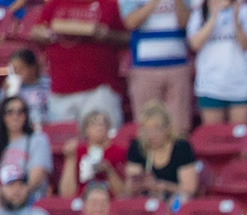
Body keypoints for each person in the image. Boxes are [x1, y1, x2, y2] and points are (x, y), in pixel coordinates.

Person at [30, 0, 128, 128]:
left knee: (102, 141)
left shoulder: (108, 3)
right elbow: (35, 32)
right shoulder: (56, 3)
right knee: (64, 143)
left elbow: (127, 38)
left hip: (98, 89)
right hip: (61, 91)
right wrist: (43, 34)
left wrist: (106, 35)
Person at [120, 0, 193, 135]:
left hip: (178, 65)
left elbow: (185, 23)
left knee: (179, 127)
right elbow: (131, 22)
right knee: (147, 125)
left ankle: (177, 155)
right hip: (145, 67)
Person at [187, 0, 247, 125]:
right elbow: (195, 44)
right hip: (210, 84)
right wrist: (214, 16)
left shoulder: (244, 9)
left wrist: (235, 20)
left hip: (240, 84)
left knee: (240, 135)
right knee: (214, 137)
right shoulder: (199, 11)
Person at [125, 101, 198, 201]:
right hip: (146, 198)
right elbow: (130, 185)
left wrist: (162, 186)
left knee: (182, 199)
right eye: (147, 130)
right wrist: (139, 183)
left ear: (167, 128)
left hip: (172, 197)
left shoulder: (181, 147)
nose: (151, 135)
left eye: (156, 129)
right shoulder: (138, 146)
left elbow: (189, 189)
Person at [59, 111, 127, 198]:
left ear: (108, 128)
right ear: (85, 129)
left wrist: (109, 171)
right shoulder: (77, 152)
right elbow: (66, 194)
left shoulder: (119, 151)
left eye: (103, 124)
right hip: (82, 199)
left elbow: (124, 193)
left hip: (111, 199)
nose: (99, 128)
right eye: (94, 124)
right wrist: (70, 160)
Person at [0, 96, 51, 201]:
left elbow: (36, 179)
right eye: (10, 112)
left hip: (29, 201)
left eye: (20, 112)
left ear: (26, 115)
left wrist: (14, 196)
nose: (15, 116)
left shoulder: (38, 140)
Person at [5, 50, 51, 130]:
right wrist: (10, 93)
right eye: (14, 70)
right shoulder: (11, 87)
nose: (17, 73)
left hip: (46, 125)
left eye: (20, 69)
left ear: (32, 68)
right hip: (21, 129)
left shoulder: (47, 83)